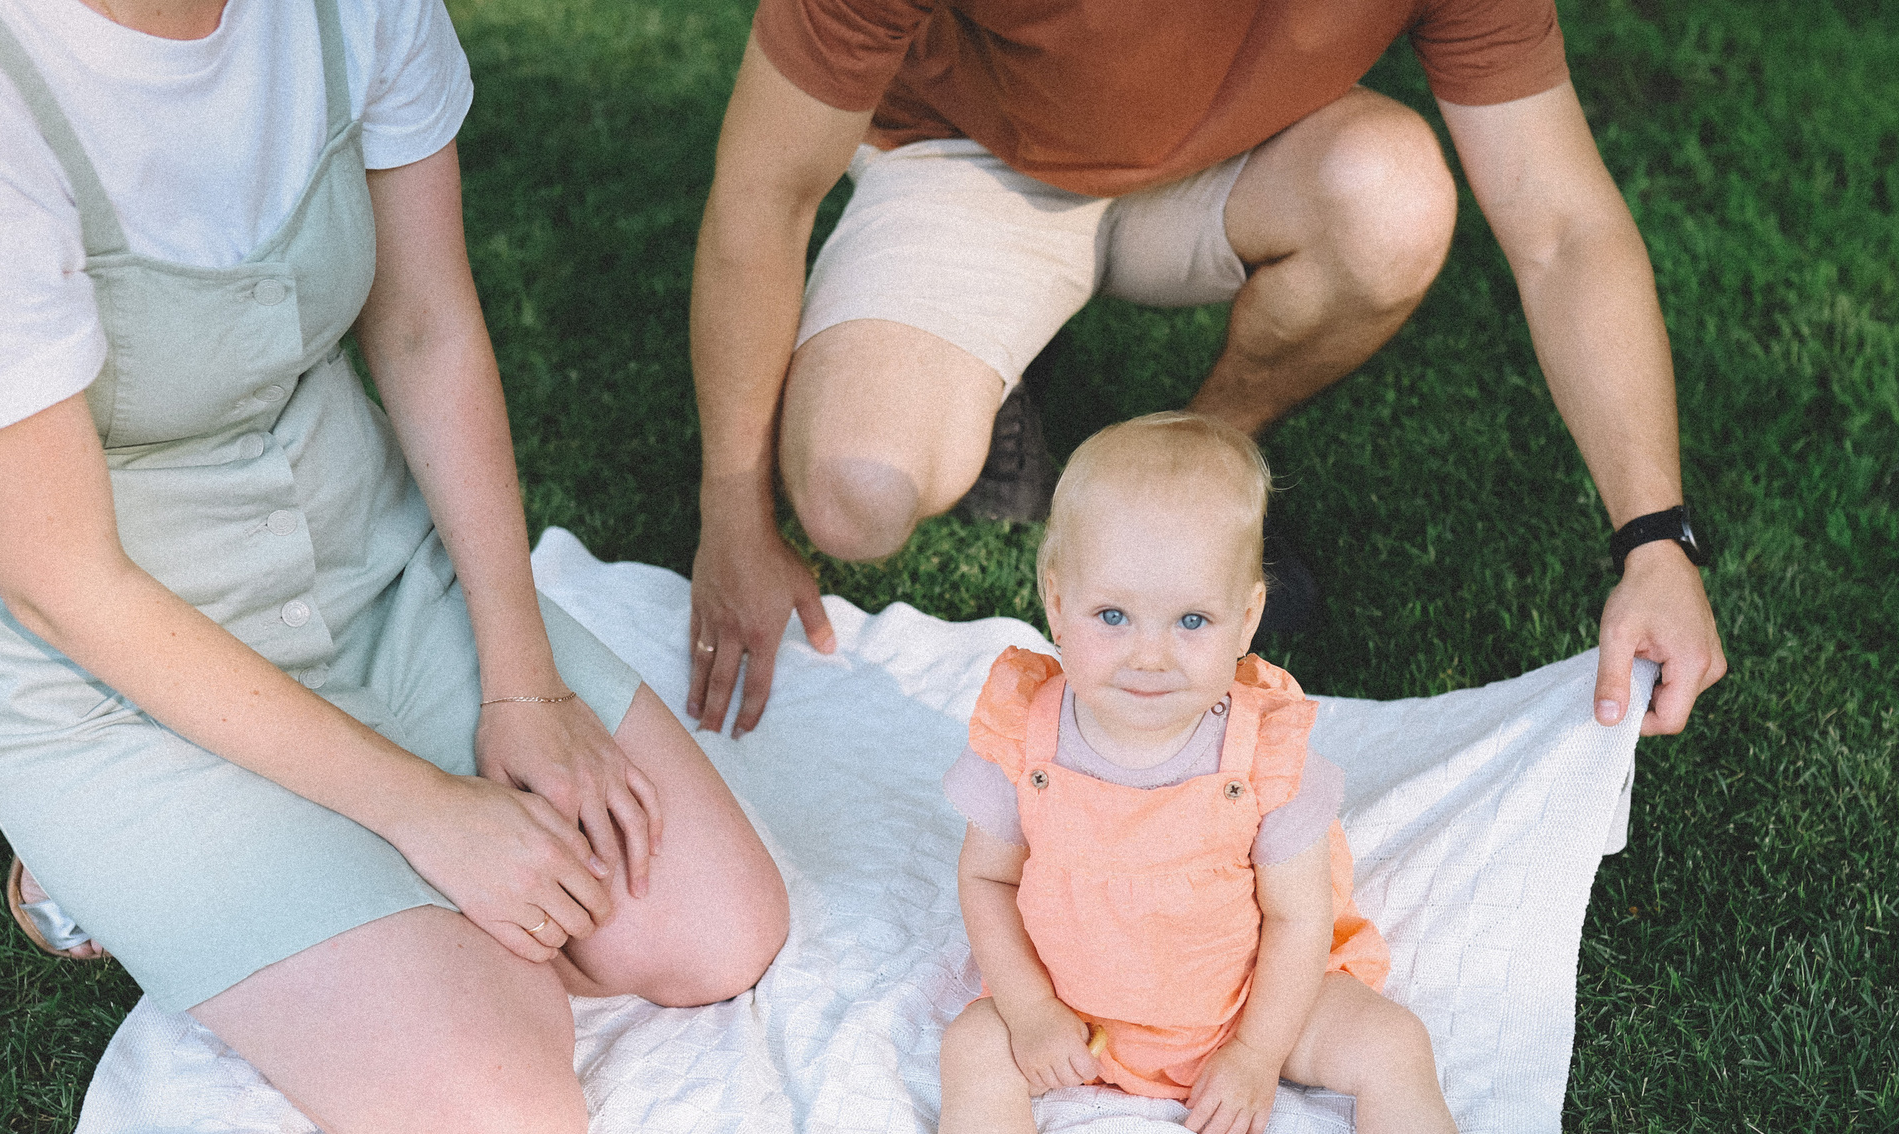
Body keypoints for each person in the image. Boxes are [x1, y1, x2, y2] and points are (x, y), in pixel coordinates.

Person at [0, 0, 788, 1134]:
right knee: (503, 1116)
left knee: (716, 931)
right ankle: (95, 858)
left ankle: (339, 911)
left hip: (361, 556)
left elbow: (424, 328)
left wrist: (523, 683)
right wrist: (428, 812)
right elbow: (64, 586)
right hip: (111, 674)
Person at [681, 0, 1728, 742]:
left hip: (1228, 162)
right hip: (967, 156)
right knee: (853, 496)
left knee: (1391, 198)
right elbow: (762, 193)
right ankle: (1002, 352)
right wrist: (731, 514)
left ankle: (1201, 471)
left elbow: (1563, 228)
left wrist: (1655, 543)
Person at [853, 416, 1619, 1134]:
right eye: (1112, 616)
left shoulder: (1261, 752)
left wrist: (1256, 1054)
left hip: (1239, 1003)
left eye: (1192, 622)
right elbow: (986, 878)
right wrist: (1031, 1010)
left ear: (1248, 618)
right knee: (975, 1048)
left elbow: (1298, 916)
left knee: (1390, 1042)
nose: (1149, 654)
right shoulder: (1026, 732)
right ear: (1055, 597)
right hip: (1079, 1009)